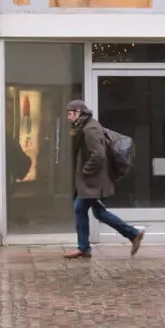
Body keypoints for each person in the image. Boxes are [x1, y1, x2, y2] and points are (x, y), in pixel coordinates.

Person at [66, 99, 144, 259]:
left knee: (81, 209)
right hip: (91, 181)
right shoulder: (86, 126)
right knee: (98, 212)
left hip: (92, 181)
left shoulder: (91, 129)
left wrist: (84, 172)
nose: (68, 117)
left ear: (79, 112)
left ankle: (85, 248)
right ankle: (133, 235)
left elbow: (99, 156)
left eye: (70, 113)